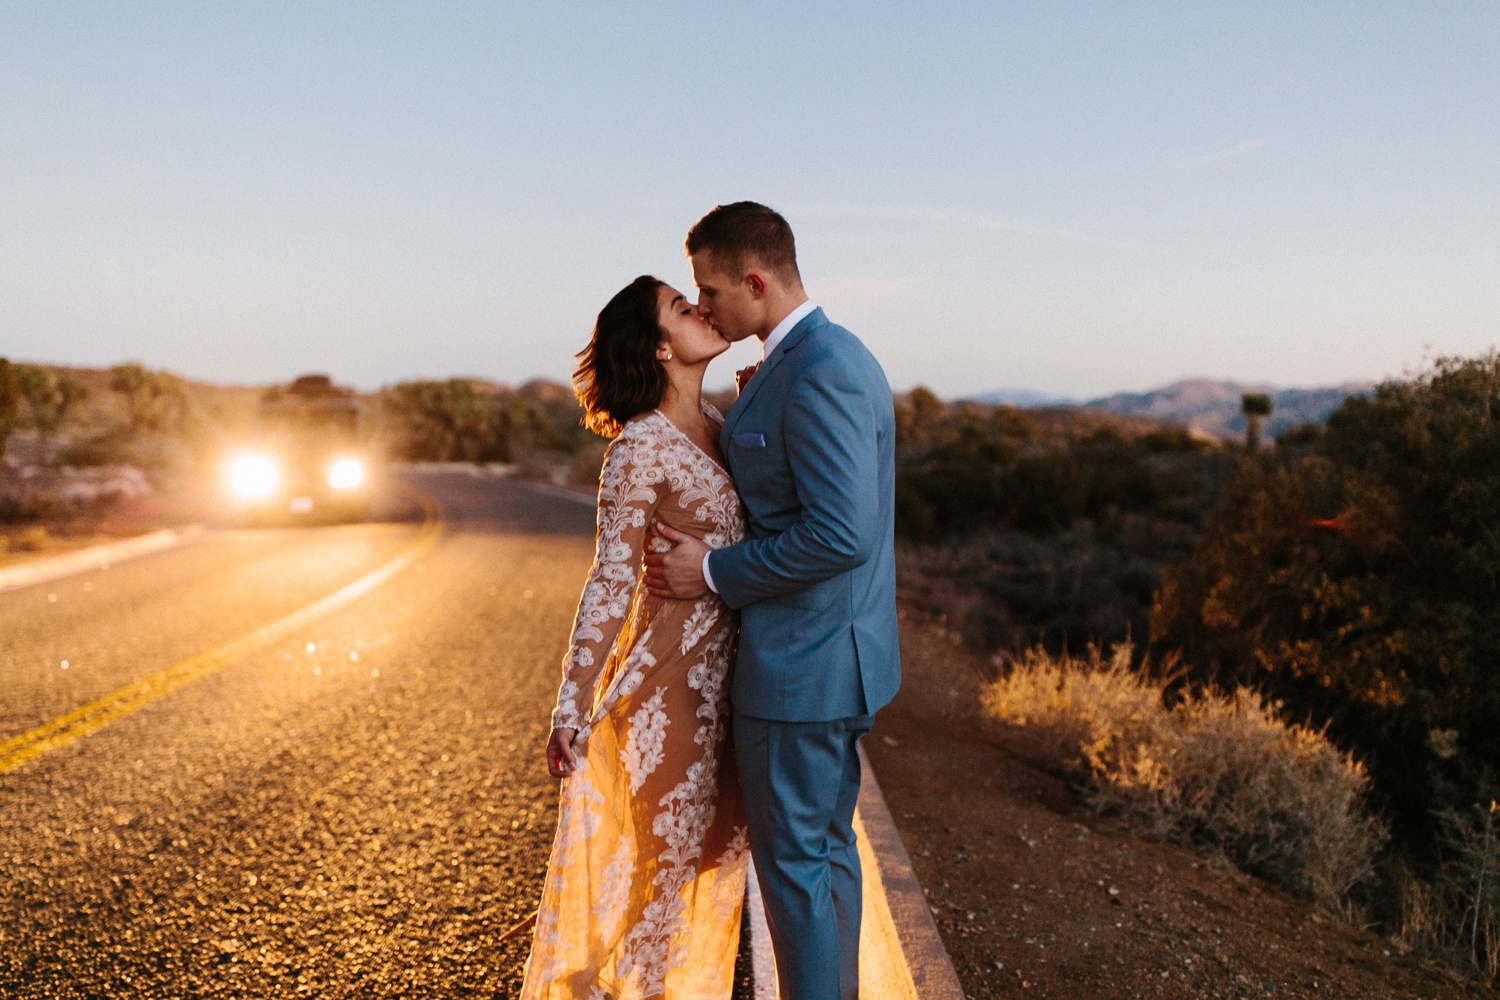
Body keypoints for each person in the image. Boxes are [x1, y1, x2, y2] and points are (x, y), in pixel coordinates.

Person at [644, 202, 900, 1000]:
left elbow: (839, 535)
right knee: (822, 860)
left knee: (794, 873)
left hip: (802, 669)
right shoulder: (819, 357)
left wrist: (713, 571)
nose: (703, 306)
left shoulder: (820, 370)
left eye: (710, 291)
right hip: (829, 661)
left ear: (756, 283)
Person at [520, 275, 748, 999]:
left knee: (702, 863)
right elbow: (611, 579)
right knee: (663, 873)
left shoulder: (718, 422)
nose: (701, 309)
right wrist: (570, 701)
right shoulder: (639, 448)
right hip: (669, 690)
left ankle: (603, 983)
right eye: (683, 308)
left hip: (733, 683)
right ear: (659, 346)